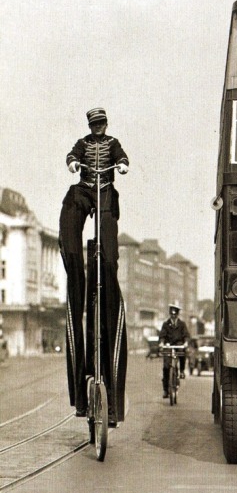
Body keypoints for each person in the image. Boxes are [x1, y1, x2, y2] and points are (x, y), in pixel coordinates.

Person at [59, 107, 129, 424]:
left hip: (105, 189)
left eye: (101, 124)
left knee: (106, 225)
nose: (99, 129)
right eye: (95, 125)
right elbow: (73, 154)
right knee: (73, 201)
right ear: (90, 126)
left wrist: (123, 165)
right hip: (86, 187)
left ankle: (104, 258)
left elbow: (122, 156)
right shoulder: (82, 142)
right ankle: (75, 257)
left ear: (106, 125)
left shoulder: (113, 142)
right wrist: (74, 162)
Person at [159, 304, 191, 397]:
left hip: (178, 345)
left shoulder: (182, 324)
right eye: (172, 314)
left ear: (177, 314)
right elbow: (162, 335)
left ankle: (181, 371)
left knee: (182, 353)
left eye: (175, 314)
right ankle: (165, 390)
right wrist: (162, 342)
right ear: (170, 314)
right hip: (168, 346)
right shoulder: (165, 324)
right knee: (165, 367)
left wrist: (185, 343)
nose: (173, 316)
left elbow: (186, 335)